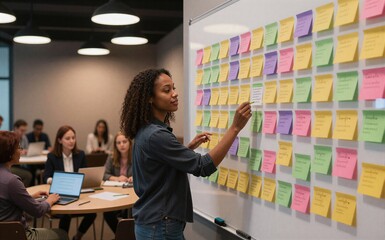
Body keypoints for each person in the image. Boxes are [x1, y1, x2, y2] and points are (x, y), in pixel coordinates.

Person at [120, 69, 251, 239]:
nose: (175, 94)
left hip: (153, 222)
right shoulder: (157, 135)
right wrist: (235, 128)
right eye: (166, 90)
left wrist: (187, 150)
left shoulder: (147, 131)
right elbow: (203, 166)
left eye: (173, 88)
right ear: (149, 98)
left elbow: (161, 169)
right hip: (160, 226)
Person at [0, 131, 68, 240]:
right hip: (17, 235)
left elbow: (6, 201)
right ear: (9, 152)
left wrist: (29, 197)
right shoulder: (12, 181)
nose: (21, 151)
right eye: (18, 147)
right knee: (62, 235)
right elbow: (37, 211)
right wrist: (50, 200)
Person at [43, 125, 96, 240]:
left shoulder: (80, 154)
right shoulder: (52, 156)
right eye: (67, 138)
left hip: (78, 194)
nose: (71, 141)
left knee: (93, 212)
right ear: (59, 140)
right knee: (66, 213)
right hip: (60, 195)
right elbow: (46, 176)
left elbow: (85, 174)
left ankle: (77, 237)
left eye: (73, 138)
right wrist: (55, 180)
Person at [102, 132, 133, 233]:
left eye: (124, 141)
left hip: (131, 194)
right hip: (115, 193)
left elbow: (144, 173)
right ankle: (120, 235)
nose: (122, 145)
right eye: (118, 143)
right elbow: (104, 175)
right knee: (107, 212)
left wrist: (135, 177)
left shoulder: (136, 156)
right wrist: (117, 178)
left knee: (129, 212)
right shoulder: (111, 157)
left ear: (130, 142)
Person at [11, 119, 33, 187]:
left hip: (21, 163)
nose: (23, 133)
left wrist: (26, 151)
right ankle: (21, 192)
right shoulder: (10, 137)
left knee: (32, 170)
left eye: (24, 131)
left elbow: (26, 149)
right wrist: (19, 152)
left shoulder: (24, 137)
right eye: (21, 130)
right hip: (11, 165)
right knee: (28, 175)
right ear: (15, 128)